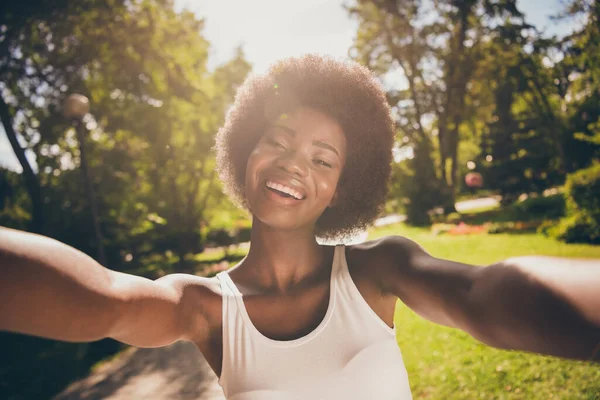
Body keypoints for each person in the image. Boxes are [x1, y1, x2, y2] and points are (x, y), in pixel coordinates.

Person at [1, 54, 599, 399]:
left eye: (322, 158)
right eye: (278, 141)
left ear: (341, 187)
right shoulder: (206, 307)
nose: (292, 164)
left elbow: (483, 294)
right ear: (246, 153)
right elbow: (103, 299)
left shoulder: (379, 269)